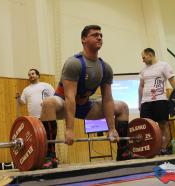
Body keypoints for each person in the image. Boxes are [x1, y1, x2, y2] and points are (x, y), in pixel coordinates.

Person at [40, 25, 136, 169]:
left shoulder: (105, 68)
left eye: (101, 35)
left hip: (85, 106)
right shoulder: (74, 63)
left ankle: (123, 151)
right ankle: (49, 155)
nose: (99, 37)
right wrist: (70, 129)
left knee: (122, 107)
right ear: (84, 39)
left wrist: (111, 129)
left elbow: (108, 99)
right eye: (95, 35)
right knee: (48, 103)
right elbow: (70, 97)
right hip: (64, 104)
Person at [139, 48, 175, 155]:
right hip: (146, 102)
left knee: (163, 124)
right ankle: (151, 149)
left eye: (144, 57)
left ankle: (163, 148)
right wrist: (139, 102)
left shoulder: (164, 65)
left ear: (150, 55)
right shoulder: (143, 70)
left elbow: (173, 81)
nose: (142, 60)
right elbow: (141, 87)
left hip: (160, 100)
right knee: (146, 127)